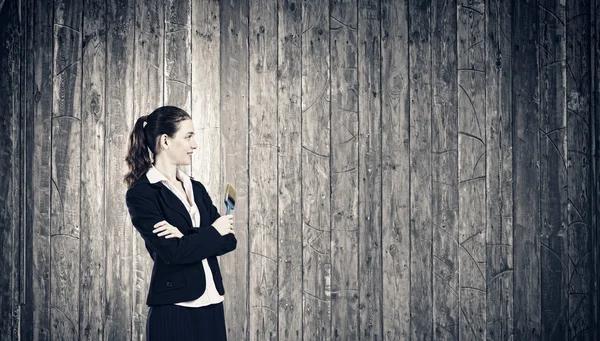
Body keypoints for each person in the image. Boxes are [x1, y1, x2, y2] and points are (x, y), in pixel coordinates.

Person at [123, 105, 236, 341]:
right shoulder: (142, 194)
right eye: (188, 136)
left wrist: (186, 237)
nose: (195, 144)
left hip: (213, 302)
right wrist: (212, 231)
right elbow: (173, 253)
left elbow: (228, 241)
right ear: (165, 140)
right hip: (174, 308)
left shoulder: (196, 188)